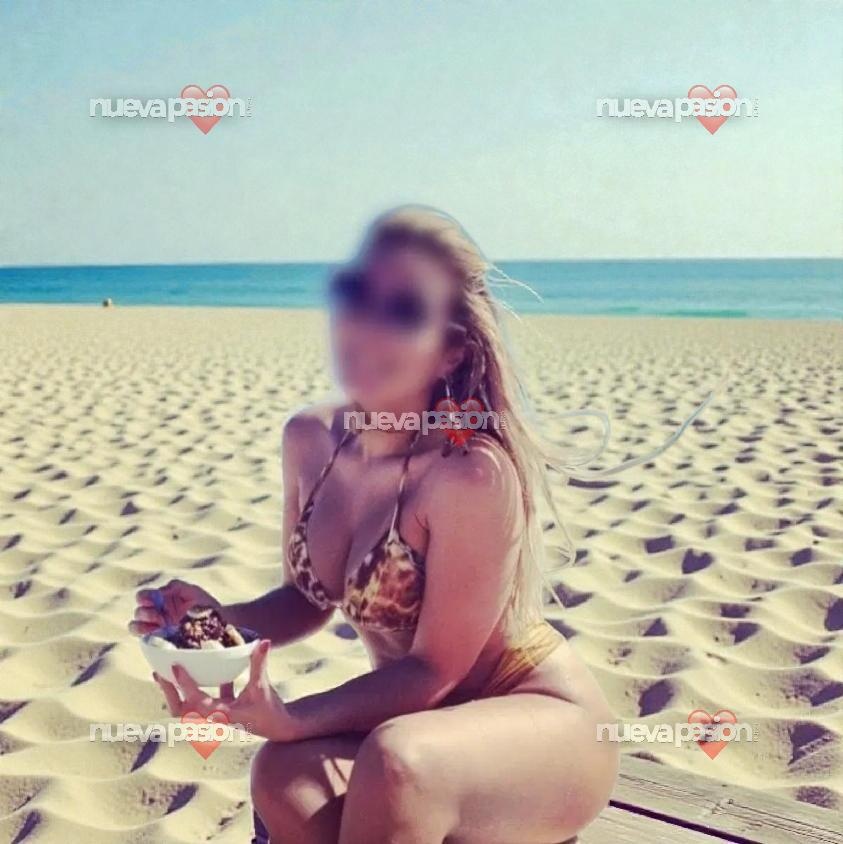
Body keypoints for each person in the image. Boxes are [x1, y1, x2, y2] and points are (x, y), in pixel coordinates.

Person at [131, 207, 627, 843]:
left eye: (404, 311)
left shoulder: (469, 473)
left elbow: (434, 671)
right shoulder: (310, 438)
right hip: (416, 728)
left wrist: (290, 715)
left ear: (451, 350)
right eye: (357, 295)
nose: (368, 325)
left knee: (396, 764)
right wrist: (219, 626)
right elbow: (306, 600)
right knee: (282, 775)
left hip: (534, 724)